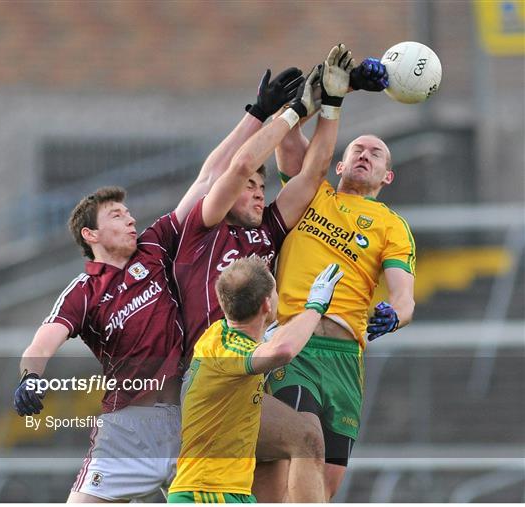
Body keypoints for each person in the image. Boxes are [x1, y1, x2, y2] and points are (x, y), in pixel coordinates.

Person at [12, 66, 304, 503]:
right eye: (115, 216)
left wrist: (258, 113)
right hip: (128, 429)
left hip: (188, 416)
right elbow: (46, 335)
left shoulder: (156, 245)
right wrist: (30, 376)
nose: (130, 219)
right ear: (90, 236)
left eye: (128, 213)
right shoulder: (85, 289)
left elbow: (208, 178)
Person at [173, 44, 388, 502]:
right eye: (248, 186)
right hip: (212, 366)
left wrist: (331, 102)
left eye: (261, 186)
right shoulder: (203, 226)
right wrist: (292, 112)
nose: (256, 191)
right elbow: (237, 164)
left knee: (268, 476)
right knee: (305, 436)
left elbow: (311, 177)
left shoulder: (267, 232)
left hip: (250, 370)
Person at [266, 73, 416, 499]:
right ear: (339, 165)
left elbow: (404, 300)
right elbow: (290, 143)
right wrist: (298, 102)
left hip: (347, 359)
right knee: (302, 437)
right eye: (358, 149)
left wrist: (394, 317)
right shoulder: (313, 193)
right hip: (296, 343)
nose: (366, 155)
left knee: (322, 489)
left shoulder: (392, 226)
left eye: (377, 153)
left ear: (388, 176)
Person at [168, 257, 343, 503]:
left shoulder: (219, 334)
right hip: (205, 494)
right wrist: (315, 307)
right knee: (307, 439)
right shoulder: (230, 351)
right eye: (274, 291)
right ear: (266, 305)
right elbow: (281, 352)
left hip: (232, 494)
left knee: (289, 448)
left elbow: (267, 344)